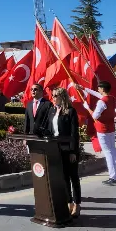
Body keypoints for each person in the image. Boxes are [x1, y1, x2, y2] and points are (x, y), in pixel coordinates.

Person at [47, 87, 81, 219]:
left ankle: (77, 204)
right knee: (64, 177)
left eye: (56, 96)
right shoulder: (52, 111)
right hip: (56, 149)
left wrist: (73, 151)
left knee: (73, 177)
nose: (53, 98)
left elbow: (74, 134)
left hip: (69, 149)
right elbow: (50, 129)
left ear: (63, 97)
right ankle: (69, 202)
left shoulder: (71, 111)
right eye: (53, 96)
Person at [83, 81, 116, 186]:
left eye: (99, 88)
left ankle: (113, 176)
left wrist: (87, 108)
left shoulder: (102, 102)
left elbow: (95, 116)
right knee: (113, 151)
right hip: (110, 128)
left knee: (108, 152)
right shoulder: (112, 98)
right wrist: (85, 89)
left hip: (102, 129)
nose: (98, 90)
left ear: (102, 89)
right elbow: (99, 95)